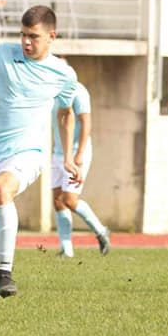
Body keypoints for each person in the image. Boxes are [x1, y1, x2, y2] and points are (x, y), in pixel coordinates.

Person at [0, 5, 79, 297]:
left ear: (52, 37)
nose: (26, 42)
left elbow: (66, 113)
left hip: (29, 152)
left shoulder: (63, 74)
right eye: (22, 35)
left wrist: (67, 155)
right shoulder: (2, 54)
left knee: (2, 189)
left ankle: (5, 274)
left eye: (33, 36)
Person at [51, 79, 111, 258]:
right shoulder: (50, 90)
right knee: (58, 200)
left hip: (77, 153)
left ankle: (101, 231)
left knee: (69, 199)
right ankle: (67, 250)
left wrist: (79, 154)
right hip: (58, 152)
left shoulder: (77, 90)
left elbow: (86, 122)